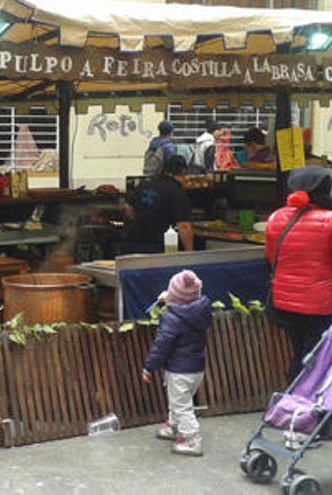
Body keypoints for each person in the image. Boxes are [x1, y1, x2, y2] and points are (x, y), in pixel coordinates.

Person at [265, 166, 332, 384]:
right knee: (316, 358)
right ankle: (305, 406)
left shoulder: (276, 218)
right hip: (321, 306)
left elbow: (272, 259)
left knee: (300, 353)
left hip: (286, 304)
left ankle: (293, 403)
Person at [141, 270, 211, 456]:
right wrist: (171, 299)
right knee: (178, 400)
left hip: (180, 371)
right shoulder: (201, 309)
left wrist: (149, 367)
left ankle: (192, 439)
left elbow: (161, 346)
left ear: (175, 296)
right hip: (196, 368)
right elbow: (186, 300)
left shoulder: (173, 319)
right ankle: (174, 425)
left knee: (181, 405)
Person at [123, 155, 194, 254]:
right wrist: (189, 253)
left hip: (134, 244)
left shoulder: (145, 184)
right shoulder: (176, 191)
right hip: (160, 248)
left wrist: (140, 219)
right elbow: (184, 226)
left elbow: (128, 208)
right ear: (183, 172)